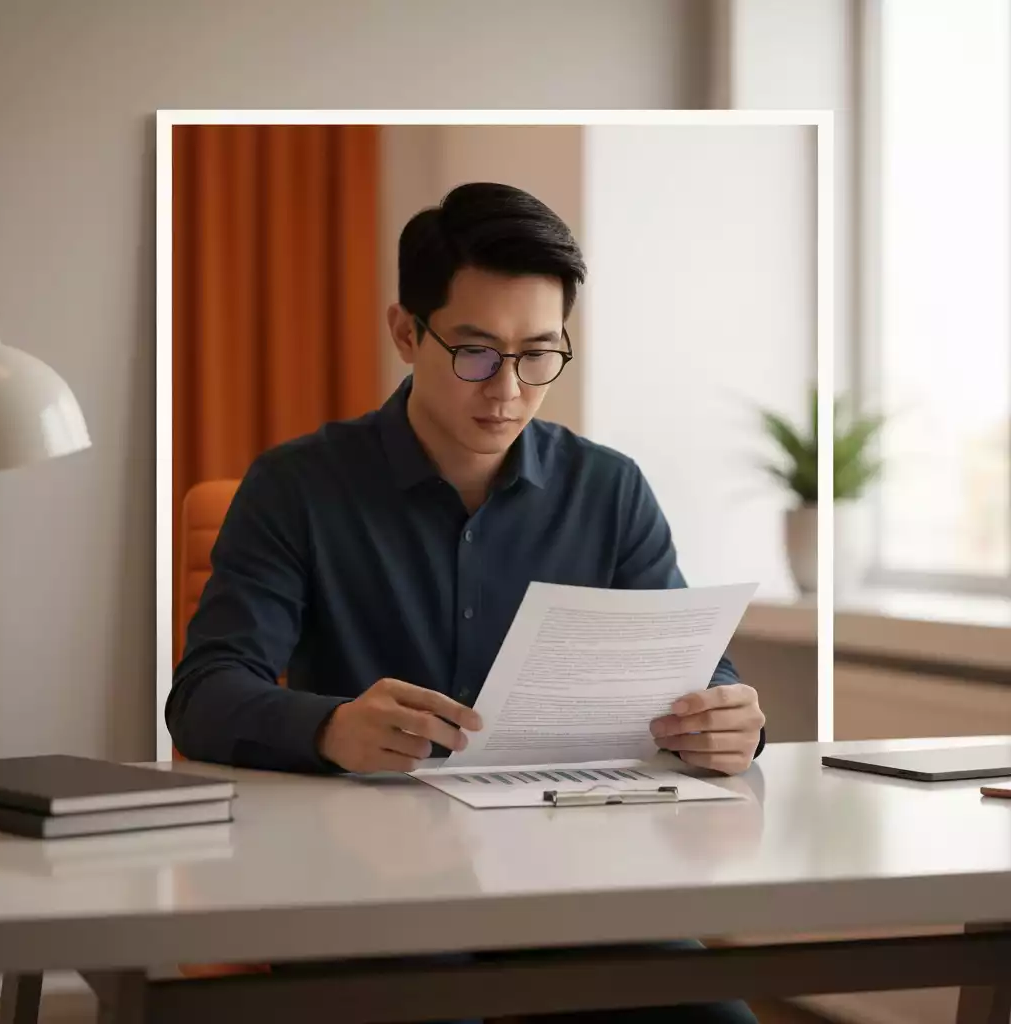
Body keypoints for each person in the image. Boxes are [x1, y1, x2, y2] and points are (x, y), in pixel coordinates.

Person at [167, 182, 766, 1024]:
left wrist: (732, 717)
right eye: (477, 352)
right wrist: (332, 726)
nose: (509, 389)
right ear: (407, 332)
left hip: (568, 884)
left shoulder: (609, 489)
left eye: (540, 355)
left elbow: (690, 664)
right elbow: (201, 696)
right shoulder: (296, 488)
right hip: (365, 887)